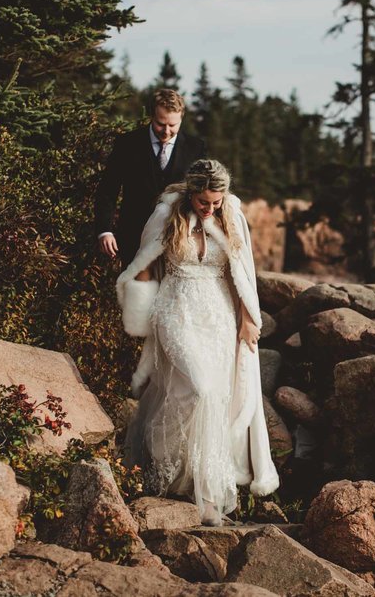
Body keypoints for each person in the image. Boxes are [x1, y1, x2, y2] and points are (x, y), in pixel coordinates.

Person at [116, 159, 279, 525]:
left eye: (215, 202)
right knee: (201, 389)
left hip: (218, 317)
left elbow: (239, 272)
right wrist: (141, 317)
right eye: (203, 202)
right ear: (191, 193)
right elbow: (144, 263)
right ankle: (164, 462)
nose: (209, 209)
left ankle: (201, 491)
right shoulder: (166, 215)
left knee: (207, 397)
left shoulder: (229, 215)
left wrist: (247, 319)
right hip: (176, 312)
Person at [94, 88, 206, 267]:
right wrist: (104, 231)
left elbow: (202, 193)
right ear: (151, 116)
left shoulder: (196, 147)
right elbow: (108, 190)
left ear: (181, 118)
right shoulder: (127, 144)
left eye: (173, 125)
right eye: (161, 124)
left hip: (179, 238)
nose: (167, 131)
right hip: (133, 237)